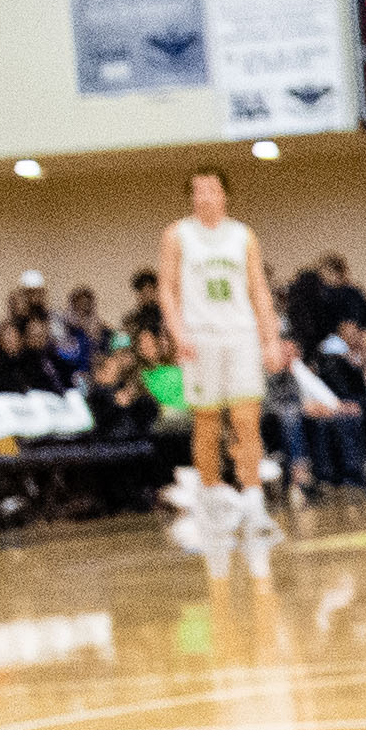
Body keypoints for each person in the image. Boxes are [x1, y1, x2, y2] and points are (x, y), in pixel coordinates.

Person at [161, 169, 280, 550]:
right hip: (200, 337)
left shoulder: (243, 235)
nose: (204, 196)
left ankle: (255, 501)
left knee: (247, 420)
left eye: (211, 189)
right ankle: (212, 497)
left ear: (224, 194)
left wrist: (270, 339)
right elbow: (167, 289)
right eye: (197, 191)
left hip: (240, 335)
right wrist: (178, 334)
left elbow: (259, 288)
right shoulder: (177, 234)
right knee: (207, 422)